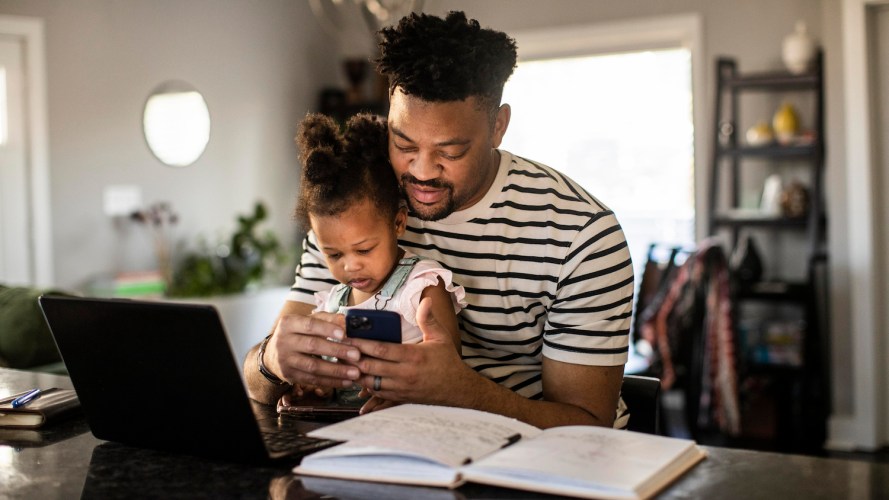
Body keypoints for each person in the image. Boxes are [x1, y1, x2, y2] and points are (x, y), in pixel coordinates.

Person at [245, 11, 634, 429]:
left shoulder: (581, 235)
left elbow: (588, 427)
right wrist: (272, 361)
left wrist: (459, 392)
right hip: (385, 445)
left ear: (498, 126)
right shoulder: (358, 207)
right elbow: (256, 383)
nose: (423, 171)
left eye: (450, 152)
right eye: (403, 142)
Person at [287, 112, 466, 410]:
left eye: (365, 249)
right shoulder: (332, 303)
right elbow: (331, 375)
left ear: (398, 223)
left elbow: (449, 372)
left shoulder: (421, 287)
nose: (350, 266)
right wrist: (315, 386)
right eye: (333, 254)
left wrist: (406, 393)